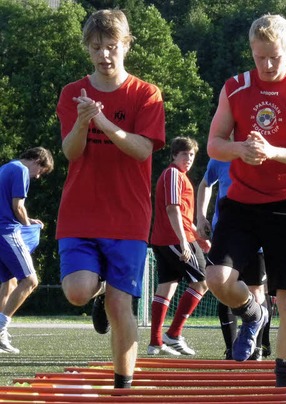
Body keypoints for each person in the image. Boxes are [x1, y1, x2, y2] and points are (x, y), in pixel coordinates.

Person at [205, 14, 286, 387]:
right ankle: (252, 311)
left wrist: (275, 151)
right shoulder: (235, 88)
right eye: (261, 57)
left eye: (275, 57)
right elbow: (214, 143)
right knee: (217, 278)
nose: (268, 65)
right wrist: (240, 149)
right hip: (241, 202)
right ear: (252, 52)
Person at [55, 9, 165, 389]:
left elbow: (141, 150)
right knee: (76, 291)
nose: (105, 55)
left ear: (126, 46)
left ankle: (123, 386)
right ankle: (97, 290)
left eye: (112, 47)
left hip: (128, 215)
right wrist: (84, 121)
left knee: (122, 304)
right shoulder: (73, 93)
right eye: (97, 47)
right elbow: (70, 152)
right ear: (87, 48)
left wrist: (103, 121)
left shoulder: (146, 94)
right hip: (80, 213)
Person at [196, 158, 271, 360]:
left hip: (258, 233)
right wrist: (201, 217)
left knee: (256, 290)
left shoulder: (261, 150)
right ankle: (230, 347)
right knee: (221, 285)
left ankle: (256, 349)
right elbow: (205, 184)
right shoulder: (220, 156)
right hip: (226, 232)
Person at [148, 137, 208, 356]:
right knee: (202, 282)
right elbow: (173, 209)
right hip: (174, 239)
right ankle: (173, 335)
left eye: (192, 155)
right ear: (174, 155)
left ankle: (155, 342)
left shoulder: (179, 176)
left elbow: (182, 213)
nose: (189, 158)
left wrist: (198, 237)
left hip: (166, 238)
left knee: (166, 287)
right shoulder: (173, 174)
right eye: (184, 154)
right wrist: (185, 241)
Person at [0, 147, 54, 354]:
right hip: (7, 230)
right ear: (36, 160)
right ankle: (1, 328)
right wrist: (28, 224)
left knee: (10, 281)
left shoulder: (5, 167)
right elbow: (18, 206)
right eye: (41, 170)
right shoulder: (21, 170)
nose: (38, 176)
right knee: (31, 281)